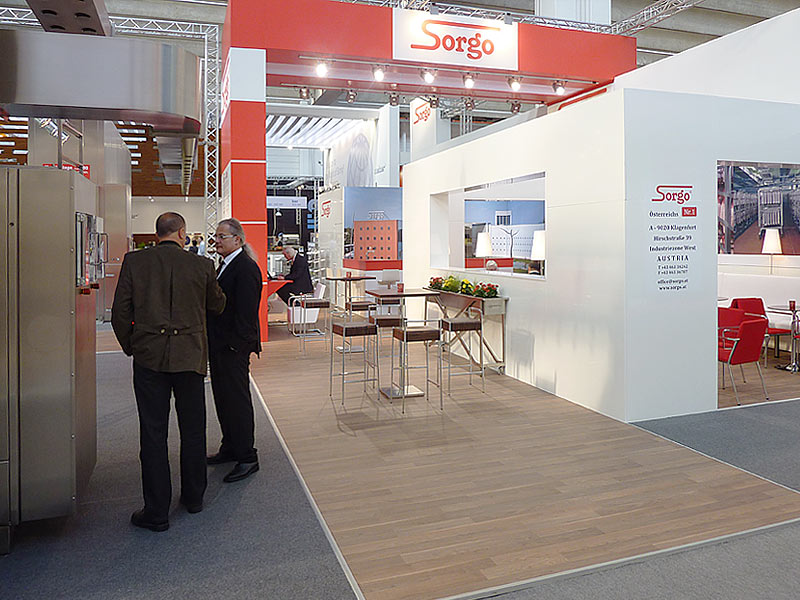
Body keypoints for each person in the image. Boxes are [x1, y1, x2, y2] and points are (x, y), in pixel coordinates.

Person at [111, 212, 226, 532]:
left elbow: (120, 312)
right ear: (182, 233)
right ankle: (194, 497)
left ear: (156, 233)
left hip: (150, 358)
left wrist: (132, 346)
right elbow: (217, 305)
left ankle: (157, 511)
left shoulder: (135, 262)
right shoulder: (202, 265)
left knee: (152, 433)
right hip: (190, 357)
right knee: (193, 429)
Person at [207, 218, 263, 483]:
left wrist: (235, 345)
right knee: (223, 398)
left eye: (222, 237)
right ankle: (230, 446)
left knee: (237, 400)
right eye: (216, 236)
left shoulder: (245, 268)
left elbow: (246, 312)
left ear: (237, 240)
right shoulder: (226, 264)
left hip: (233, 347)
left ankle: (247, 456)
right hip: (220, 345)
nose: (216, 241)